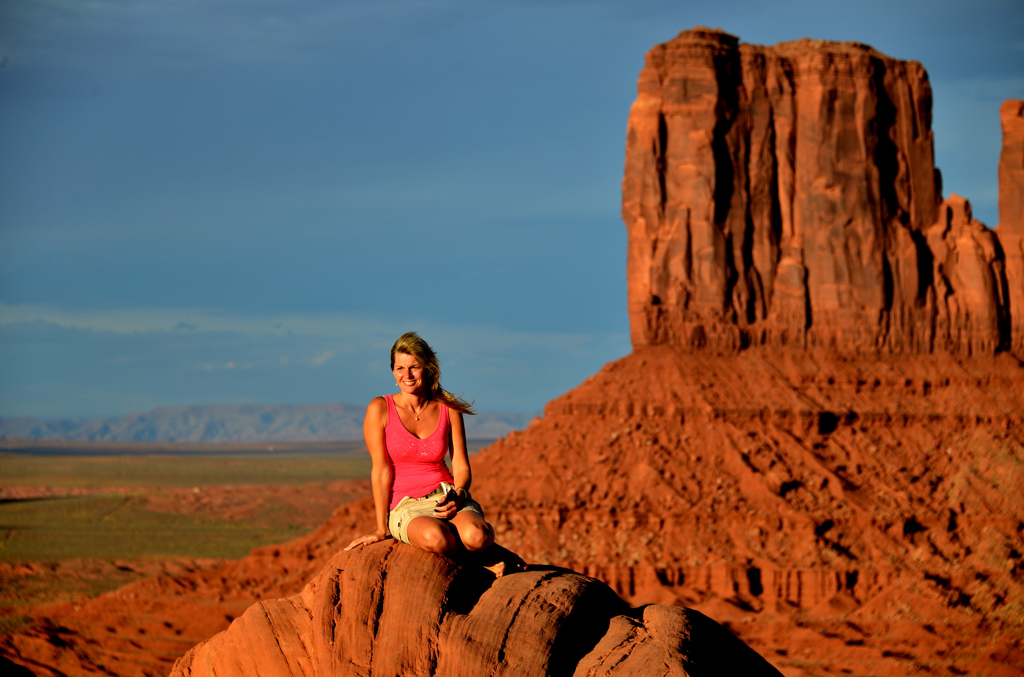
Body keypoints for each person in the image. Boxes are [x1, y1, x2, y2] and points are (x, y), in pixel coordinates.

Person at [345, 332, 523, 575]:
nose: (406, 375)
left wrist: (459, 495)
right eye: (399, 368)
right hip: (405, 504)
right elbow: (380, 470)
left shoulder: (448, 408)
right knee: (437, 539)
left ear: (427, 368)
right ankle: (486, 562)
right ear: (393, 372)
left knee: (478, 535)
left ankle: (488, 549)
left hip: (446, 495)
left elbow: (460, 464)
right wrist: (380, 527)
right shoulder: (380, 409)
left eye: (414, 367)